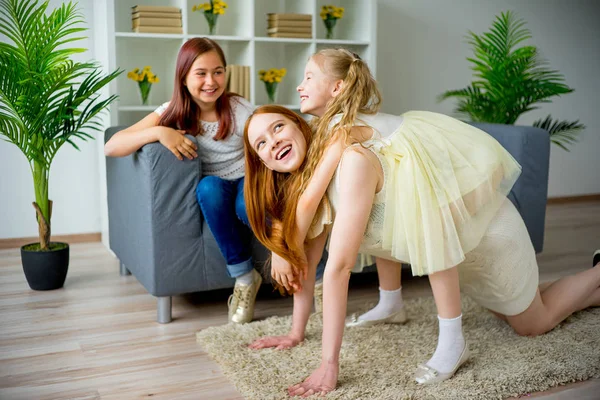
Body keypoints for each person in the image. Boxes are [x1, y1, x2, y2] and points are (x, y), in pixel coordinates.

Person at [242, 48, 600, 397]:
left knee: (531, 324)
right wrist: (294, 329)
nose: (299, 87)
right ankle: (396, 303)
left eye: (308, 77)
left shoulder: (347, 146)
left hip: (487, 231)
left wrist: (328, 363)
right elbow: (318, 239)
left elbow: (335, 262)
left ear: (335, 90)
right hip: (458, 247)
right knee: (511, 311)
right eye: (261, 143)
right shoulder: (325, 140)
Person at [105, 37, 264, 324]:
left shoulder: (238, 107)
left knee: (245, 207)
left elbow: (266, 141)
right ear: (184, 76)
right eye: (200, 73)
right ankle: (244, 277)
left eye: (218, 71)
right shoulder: (173, 112)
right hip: (215, 187)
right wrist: (158, 132)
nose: (211, 81)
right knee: (208, 188)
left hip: (248, 178)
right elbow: (113, 145)